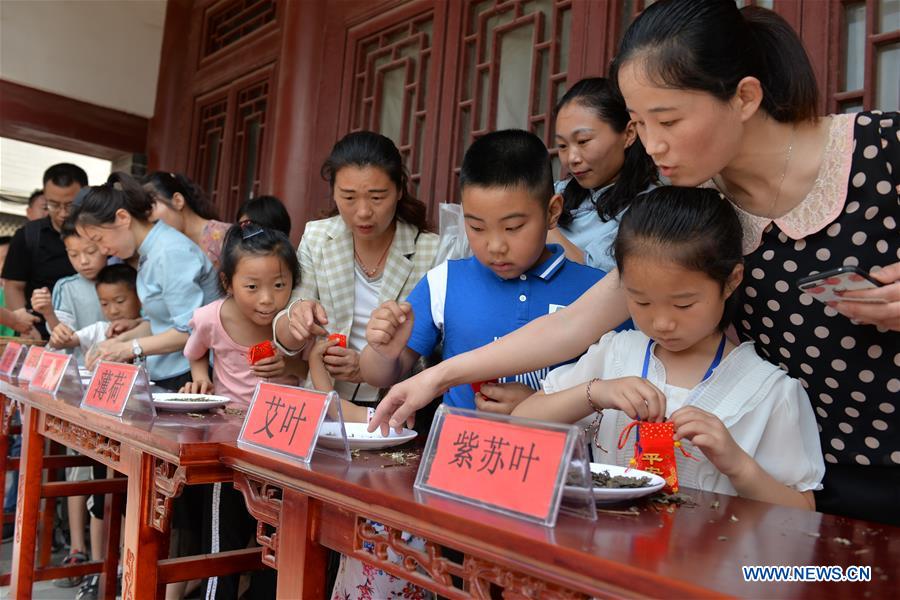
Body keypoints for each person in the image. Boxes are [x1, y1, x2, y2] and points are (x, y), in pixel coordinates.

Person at [371, 0, 899, 526]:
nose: (653, 145)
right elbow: (573, 325)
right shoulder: (698, 211)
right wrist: (436, 378)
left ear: (744, 97)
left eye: (667, 120)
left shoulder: (881, 150)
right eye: (640, 124)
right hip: (787, 485)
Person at [515, 187, 824, 508]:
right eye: (642, 301)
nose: (661, 322)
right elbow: (522, 421)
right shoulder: (616, 355)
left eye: (683, 304)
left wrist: (738, 465)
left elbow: (802, 510)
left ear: (732, 280)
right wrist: (594, 394)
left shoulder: (768, 391)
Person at [361, 129, 608, 413]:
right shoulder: (446, 281)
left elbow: (618, 394)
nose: (495, 246)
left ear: (552, 212)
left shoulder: (596, 294)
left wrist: (542, 405)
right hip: (461, 451)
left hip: (558, 455)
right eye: (476, 228)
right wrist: (383, 352)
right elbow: (379, 375)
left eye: (513, 228)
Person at [273, 131, 440, 405]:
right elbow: (286, 334)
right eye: (349, 198)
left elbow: (436, 347)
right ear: (333, 193)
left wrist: (367, 369)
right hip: (324, 397)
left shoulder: (430, 250)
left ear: (399, 190)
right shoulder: (317, 237)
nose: (363, 212)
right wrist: (296, 317)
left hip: (400, 402)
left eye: (377, 198)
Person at [71, 172, 220, 392]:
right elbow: (162, 322)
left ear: (123, 217)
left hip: (189, 375)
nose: (103, 251)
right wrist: (114, 344)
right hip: (169, 368)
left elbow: (189, 330)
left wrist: (127, 348)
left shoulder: (170, 251)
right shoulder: (150, 252)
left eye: (99, 239)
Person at [550, 77, 657, 271]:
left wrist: (540, 223)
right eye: (562, 146)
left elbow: (592, 278)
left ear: (629, 134)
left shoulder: (651, 208)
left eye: (583, 141)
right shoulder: (558, 192)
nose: (572, 158)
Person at [1, 163, 87, 338]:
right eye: (53, 205)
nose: (62, 213)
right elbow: (13, 286)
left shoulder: (98, 233)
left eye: (70, 205)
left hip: (89, 331)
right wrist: (22, 319)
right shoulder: (28, 235)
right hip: (40, 334)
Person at [33, 221, 106, 364]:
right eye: (74, 255)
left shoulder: (126, 278)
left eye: (91, 252)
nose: (83, 261)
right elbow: (63, 336)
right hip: (81, 367)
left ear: (105, 246)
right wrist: (48, 313)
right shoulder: (66, 287)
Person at [142, 171, 232, 269]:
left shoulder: (226, 236)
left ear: (178, 201)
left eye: (151, 207)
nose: (148, 217)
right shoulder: (165, 249)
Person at [50, 264, 142, 356]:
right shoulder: (100, 330)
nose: (113, 311)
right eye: (104, 304)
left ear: (140, 297)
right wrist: (58, 335)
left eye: (120, 301)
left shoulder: (154, 328)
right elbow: (59, 344)